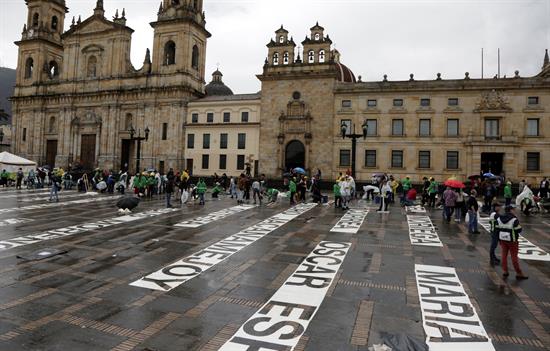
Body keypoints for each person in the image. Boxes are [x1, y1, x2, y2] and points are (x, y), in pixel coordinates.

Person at [498, 206, 528, 280]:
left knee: (504, 256)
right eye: (513, 209)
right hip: (512, 240)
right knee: (514, 257)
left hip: (502, 239)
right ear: (511, 210)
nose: (514, 211)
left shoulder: (499, 218)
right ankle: (519, 273)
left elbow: (497, 229)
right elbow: (519, 230)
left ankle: (505, 271)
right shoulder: (514, 219)